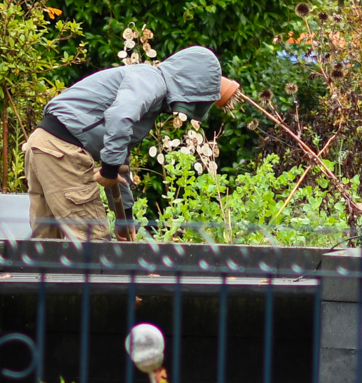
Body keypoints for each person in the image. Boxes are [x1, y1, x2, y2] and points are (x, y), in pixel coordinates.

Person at [24, 45, 240, 240]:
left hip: (43, 144)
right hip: (62, 150)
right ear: (189, 86)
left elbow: (118, 154)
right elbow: (119, 119)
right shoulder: (151, 80)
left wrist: (125, 219)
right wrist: (108, 171)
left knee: (46, 246)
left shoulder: (147, 89)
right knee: (94, 244)